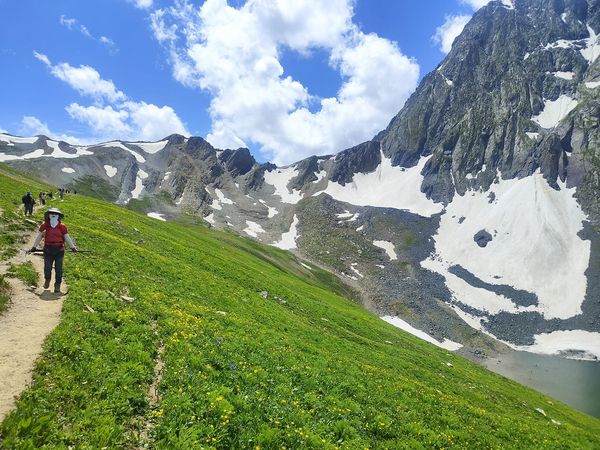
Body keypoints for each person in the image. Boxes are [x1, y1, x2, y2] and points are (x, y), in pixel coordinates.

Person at [30, 208, 77, 293]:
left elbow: (66, 237)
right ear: (48, 215)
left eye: (55, 214)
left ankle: (57, 285)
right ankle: (47, 280)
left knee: (59, 269)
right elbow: (39, 236)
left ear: (59, 216)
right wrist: (34, 247)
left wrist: (72, 247)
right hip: (48, 249)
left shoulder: (62, 226)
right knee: (47, 268)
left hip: (59, 250)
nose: (53, 215)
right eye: (51, 213)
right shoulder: (45, 225)